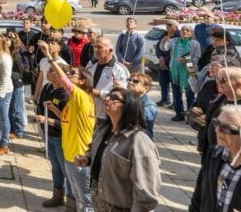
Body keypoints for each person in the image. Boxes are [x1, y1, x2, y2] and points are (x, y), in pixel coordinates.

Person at [75, 88, 161, 211]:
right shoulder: (102, 129)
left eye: (114, 98)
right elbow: (94, 149)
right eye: (108, 95)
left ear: (128, 107)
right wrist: (87, 159)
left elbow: (146, 191)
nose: (107, 99)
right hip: (99, 201)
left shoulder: (138, 141)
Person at [40, 40, 96, 212]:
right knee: (79, 197)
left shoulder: (81, 97)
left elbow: (63, 80)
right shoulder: (74, 101)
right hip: (70, 153)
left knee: (85, 200)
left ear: (82, 81)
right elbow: (67, 121)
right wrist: (55, 110)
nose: (69, 74)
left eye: (73, 73)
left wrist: (49, 57)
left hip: (80, 155)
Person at [190, 105, 241, 212]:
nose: (217, 130)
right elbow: (200, 194)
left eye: (227, 129)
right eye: (216, 123)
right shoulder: (215, 154)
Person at [198, 67, 241, 160]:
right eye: (217, 79)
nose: (218, 82)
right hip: (212, 153)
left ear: (239, 84)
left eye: (222, 80)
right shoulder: (219, 99)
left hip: (235, 157)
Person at [34, 62, 72, 208]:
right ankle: (57, 196)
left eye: (51, 70)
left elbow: (67, 121)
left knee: (65, 169)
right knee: (55, 167)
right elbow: (40, 105)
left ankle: (72, 200)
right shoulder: (48, 87)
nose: (48, 72)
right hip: (49, 135)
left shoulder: (66, 95)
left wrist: (47, 121)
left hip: (60, 137)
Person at [161, 23, 201, 122]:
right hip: (174, 70)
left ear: (191, 33)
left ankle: (191, 118)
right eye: (183, 30)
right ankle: (179, 115)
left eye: (187, 30)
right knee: (176, 94)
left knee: (190, 94)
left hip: (190, 70)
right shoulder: (173, 41)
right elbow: (164, 48)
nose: (185, 32)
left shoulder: (195, 44)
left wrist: (187, 61)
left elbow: (197, 57)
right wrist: (163, 41)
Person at [87, 37, 130, 129]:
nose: (95, 50)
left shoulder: (119, 70)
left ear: (110, 51)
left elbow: (123, 94)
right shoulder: (90, 65)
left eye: (99, 47)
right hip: (88, 112)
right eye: (94, 47)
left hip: (107, 116)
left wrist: (99, 94)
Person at [154, 20, 178, 107]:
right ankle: (165, 100)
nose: (167, 26)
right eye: (166, 24)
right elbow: (158, 47)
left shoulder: (178, 37)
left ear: (175, 27)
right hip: (162, 63)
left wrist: (165, 59)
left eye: (170, 24)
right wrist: (160, 57)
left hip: (172, 64)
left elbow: (175, 51)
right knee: (163, 82)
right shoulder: (163, 35)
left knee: (174, 85)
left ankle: (176, 102)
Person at [127, 72, 158, 139]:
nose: (130, 82)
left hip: (141, 143)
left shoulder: (150, 106)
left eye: (135, 81)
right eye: (129, 80)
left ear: (146, 87)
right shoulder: (125, 100)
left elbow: (140, 118)